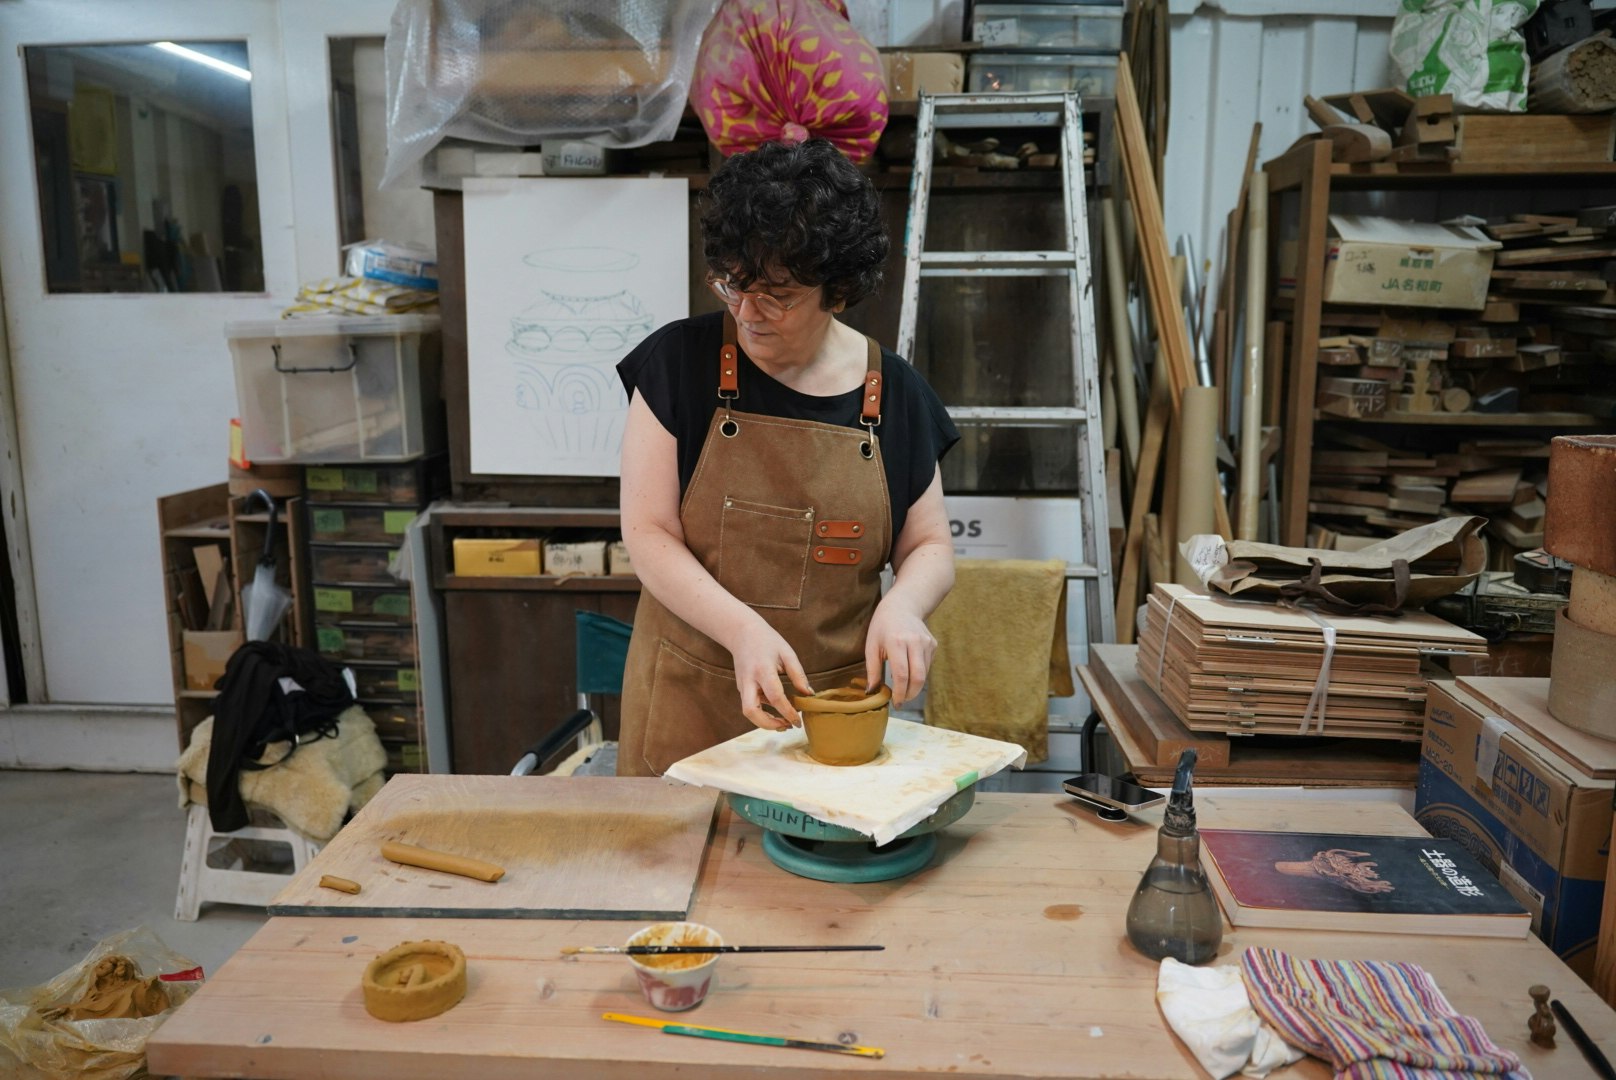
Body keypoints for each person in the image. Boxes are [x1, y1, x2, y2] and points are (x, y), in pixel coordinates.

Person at [614, 138, 960, 778]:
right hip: (689, 703)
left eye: (778, 295)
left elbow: (930, 544)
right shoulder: (678, 364)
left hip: (830, 713)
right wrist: (742, 632)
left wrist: (905, 605)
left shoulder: (897, 394)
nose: (749, 313)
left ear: (838, 290)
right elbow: (648, 532)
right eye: (733, 285)